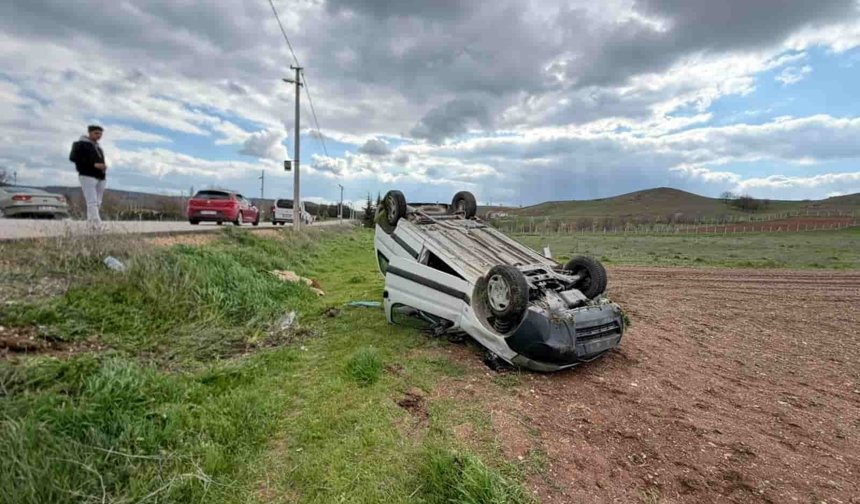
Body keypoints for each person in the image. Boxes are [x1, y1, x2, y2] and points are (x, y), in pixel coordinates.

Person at [69, 125, 107, 222]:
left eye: (100, 134)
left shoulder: (99, 148)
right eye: (96, 133)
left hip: (100, 177)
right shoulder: (80, 144)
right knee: (92, 201)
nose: (99, 136)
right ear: (90, 133)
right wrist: (93, 165)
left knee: (98, 201)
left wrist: (103, 167)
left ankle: (91, 223)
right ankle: (97, 224)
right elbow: (73, 158)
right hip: (87, 175)